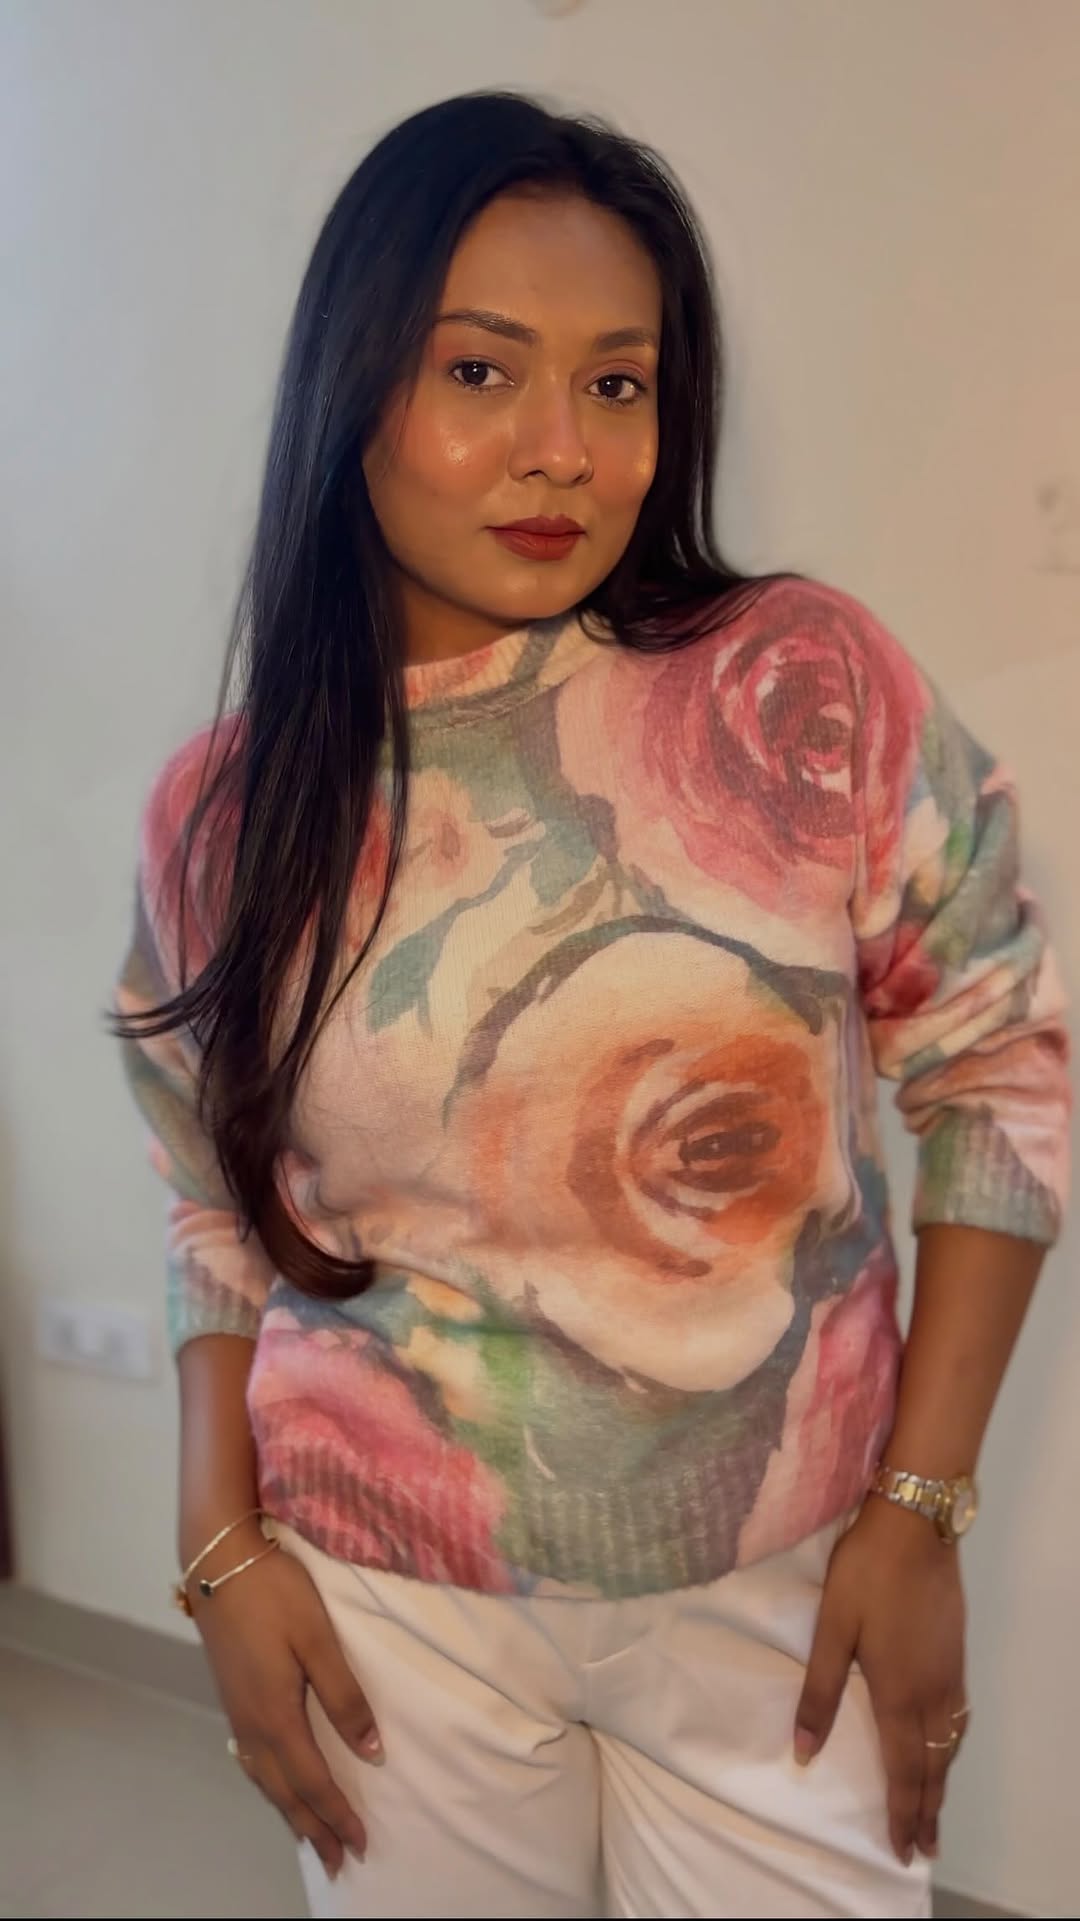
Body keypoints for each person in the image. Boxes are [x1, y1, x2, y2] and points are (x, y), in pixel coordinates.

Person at [113, 92, 1069, 1921]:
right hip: (394, 1611)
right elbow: (208, 1201)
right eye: (481, 372)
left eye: (617, 383)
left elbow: (997, 1059)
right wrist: (216, 1544)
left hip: (783, 1591)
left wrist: (925, 1506)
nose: (563, 451)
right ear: (351, 389)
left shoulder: (799, 682)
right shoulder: (223, 810)